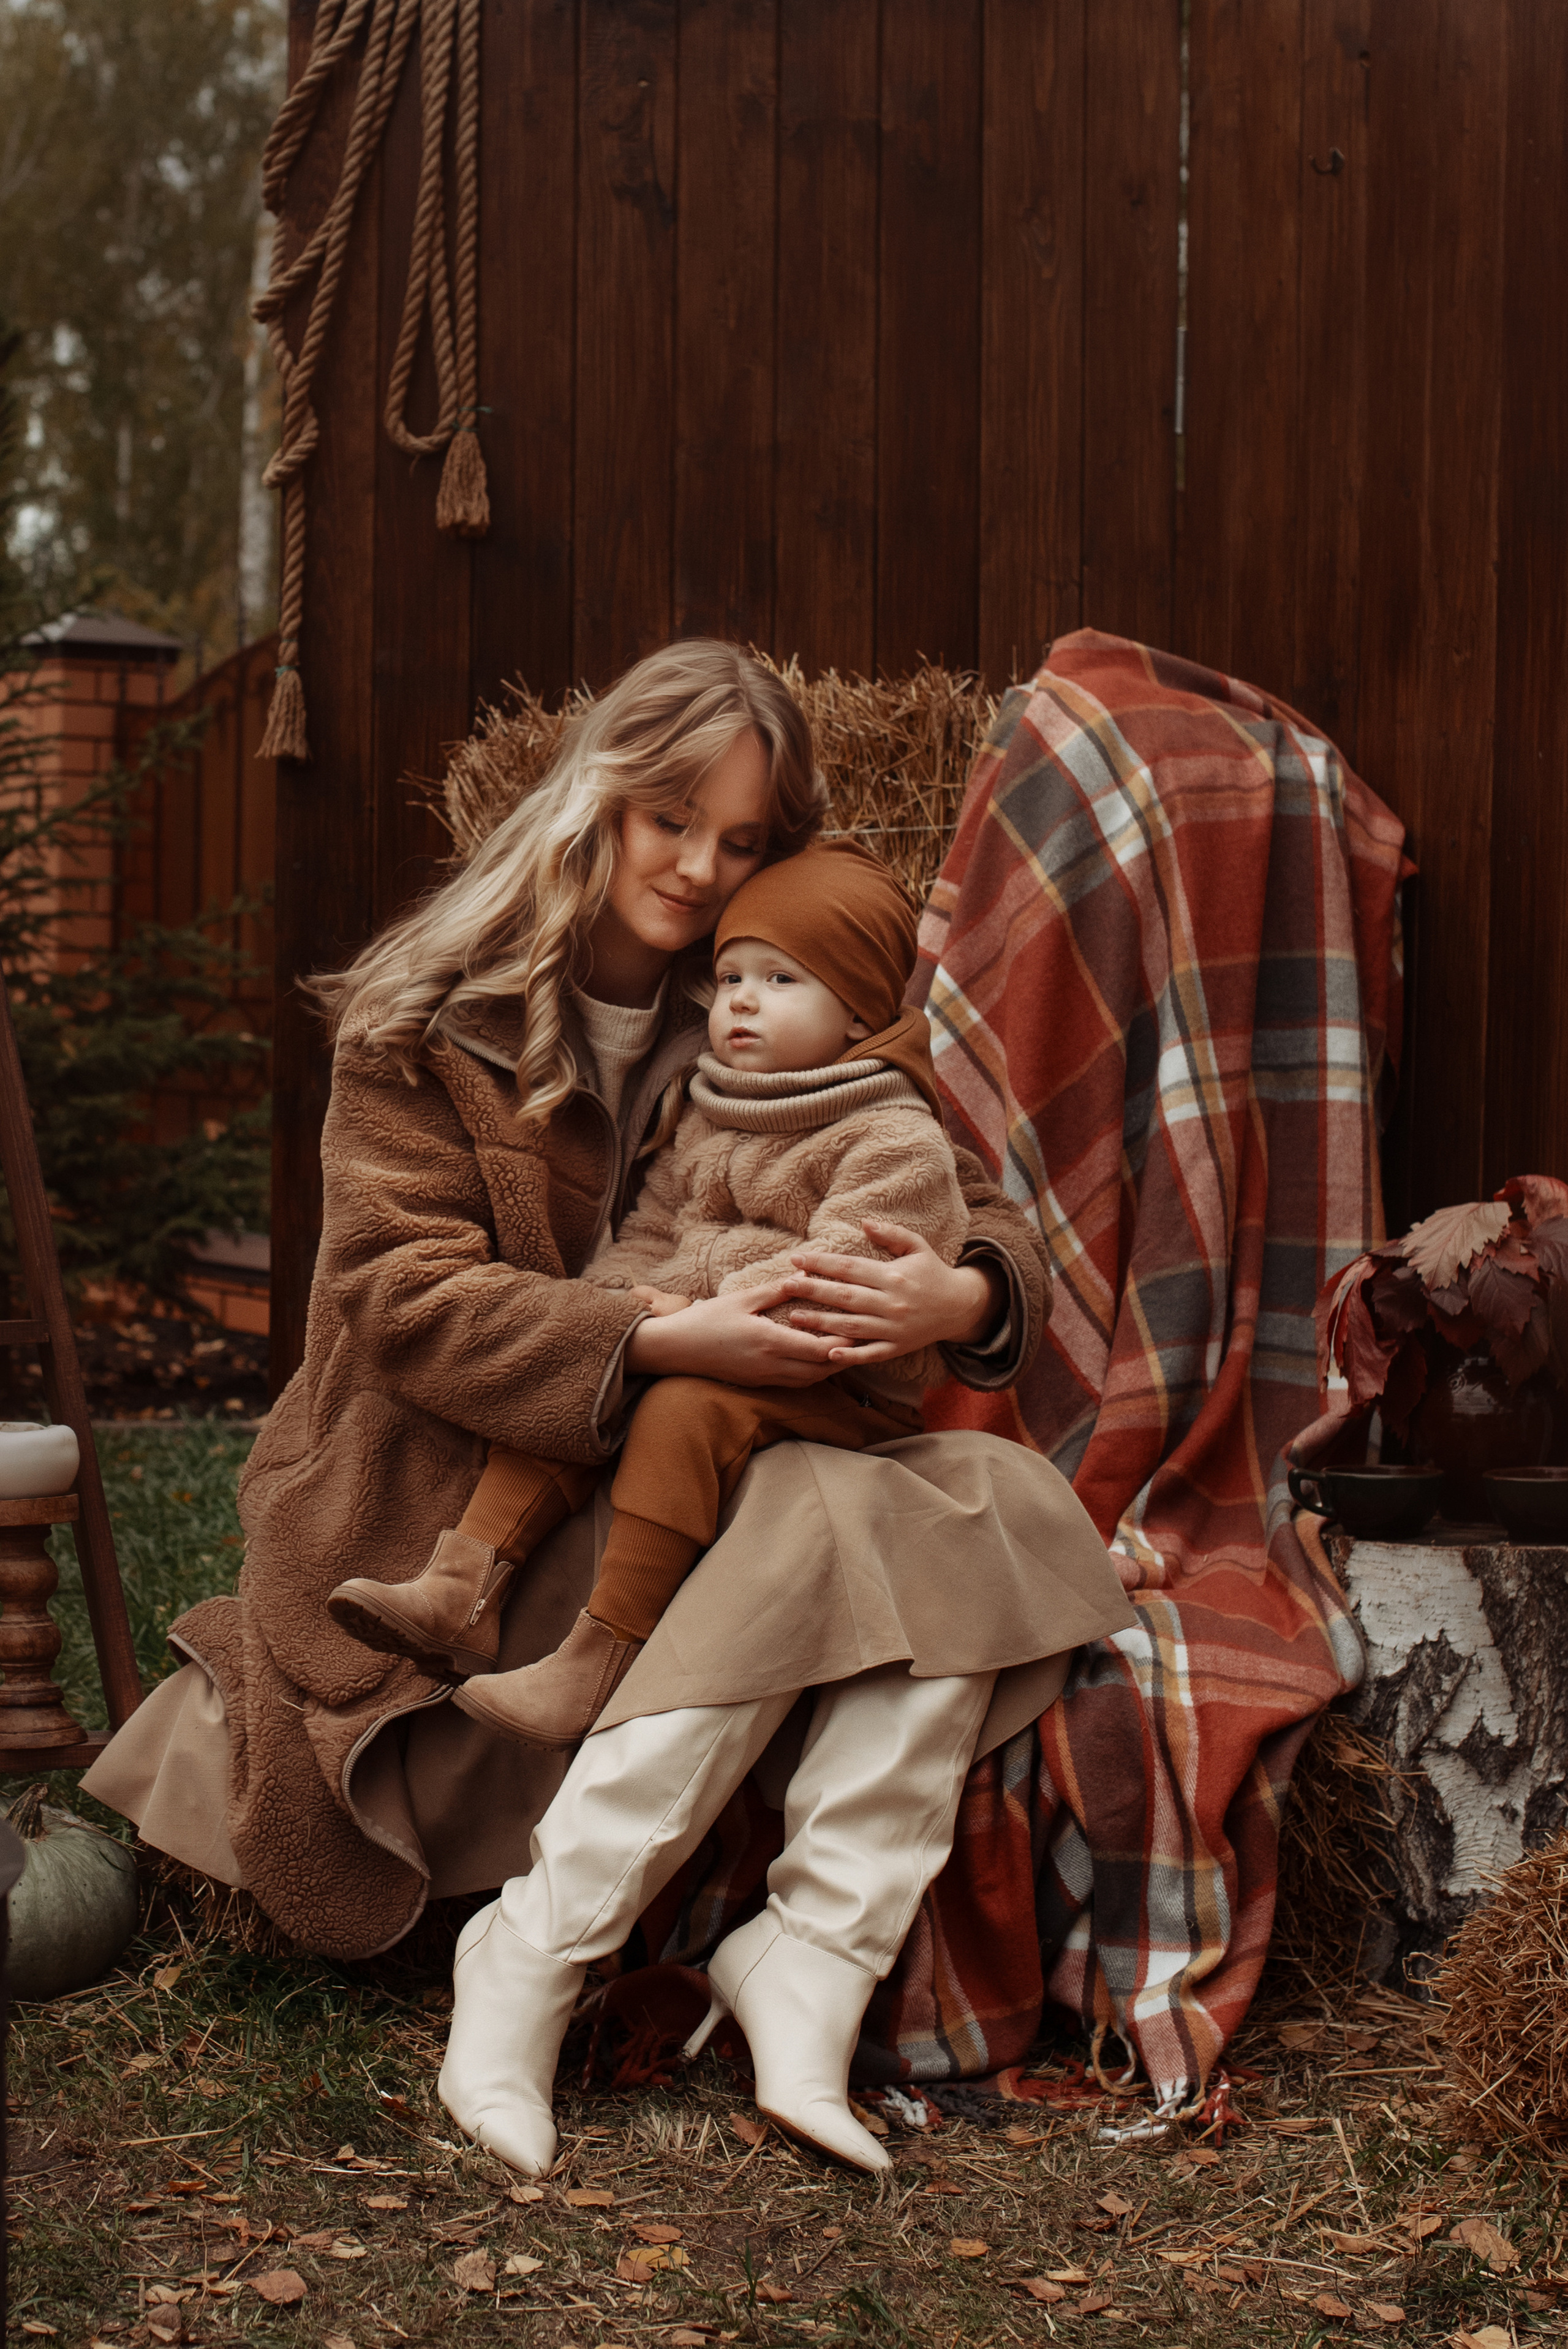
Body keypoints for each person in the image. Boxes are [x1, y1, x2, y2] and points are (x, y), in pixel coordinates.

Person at [81, 638, 1133, 2176]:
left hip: (668, 1460)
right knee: (844, 1499)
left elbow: (949, 1190)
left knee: (980, 1497)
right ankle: (561, 1959)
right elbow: (398, 1298)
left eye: (747, 842)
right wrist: (664, 1330)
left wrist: (961, 1297)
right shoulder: (428, 1028)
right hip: (459, 1493)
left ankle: (718, 1960)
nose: (704, 872)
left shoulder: (791, 1019)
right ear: (595, 804)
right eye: (670, 823)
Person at [326, 838, 971, 1749]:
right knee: (583, 1383)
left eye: (783, 980)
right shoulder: (718, 1105)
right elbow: (653, 1229)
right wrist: (620, 1312)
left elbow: (830, 1277)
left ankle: (599, 1657)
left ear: (861, 1014)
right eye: (733, 974)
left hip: (837, 1379)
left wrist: (692, 1322)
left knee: (677, 1410)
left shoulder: (891, 1135)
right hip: (719, 1337)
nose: (744, 998)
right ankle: (460, 1586)